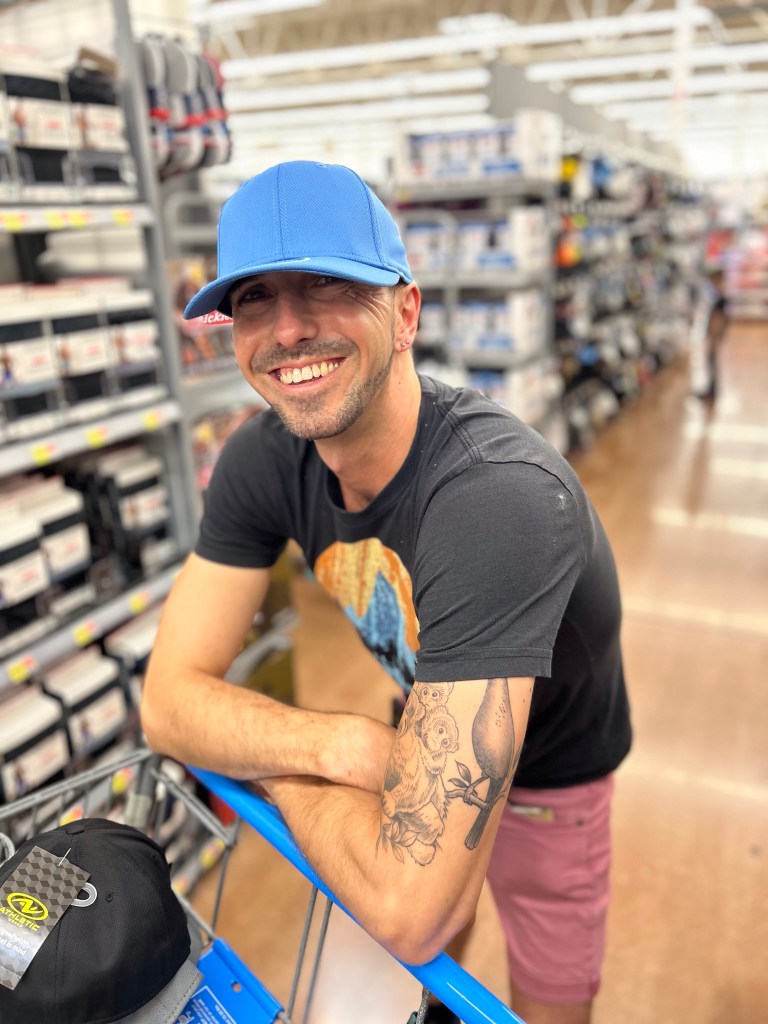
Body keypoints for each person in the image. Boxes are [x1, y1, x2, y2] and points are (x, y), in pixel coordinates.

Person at [141, 161, 632, 1024]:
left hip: (554, 772)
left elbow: (413, 915)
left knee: (545, 999)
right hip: (426, 709)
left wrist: (288, 775)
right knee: (396, 970)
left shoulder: (497, 499)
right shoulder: (263, 459)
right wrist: (335, 745)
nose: (288, 328)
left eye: (327, 284)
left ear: (405, 311)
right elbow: (167, 704)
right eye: (254, 298)